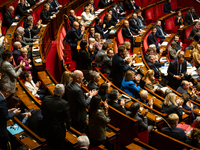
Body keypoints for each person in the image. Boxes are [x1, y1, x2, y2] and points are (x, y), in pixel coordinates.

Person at [42, 84, 71, 150]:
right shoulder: (64, 103)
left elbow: (43, 111)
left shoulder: (46, 98)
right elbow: (68, 119)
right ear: (63, 94)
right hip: (58, 131)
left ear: (53, 91)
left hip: (47, 127)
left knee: (50, 145)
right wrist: (67, 128)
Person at [0, 83, 21, 150]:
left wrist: (9, 111)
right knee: (7, 144)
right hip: (1, 129)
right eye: (10, 94)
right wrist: (14, 113)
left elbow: (1, 112)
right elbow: (5, 117)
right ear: (6, 93)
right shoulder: (2, 100)